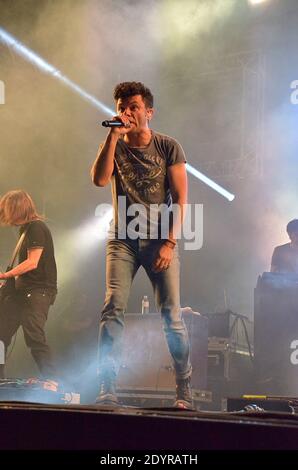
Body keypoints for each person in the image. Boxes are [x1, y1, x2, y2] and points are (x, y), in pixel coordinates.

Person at [91, 81, 192, 409]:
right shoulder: (115, 144)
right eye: (122, 106)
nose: (127, 112)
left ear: (148, 111)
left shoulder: (168, 146)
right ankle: (108, 384)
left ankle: (183, 388)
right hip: (122, 239)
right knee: (112, 308)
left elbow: (181, 198)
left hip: (159, 241)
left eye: (133, 106)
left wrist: (169, 242)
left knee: (171, 316)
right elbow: (99, 179)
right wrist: (112, 136)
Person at [0, 190, 57, 380]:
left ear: (17, 208)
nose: (5, 214)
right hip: (22, 292)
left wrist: (6, 274)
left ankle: (52, 380)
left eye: (7, 209)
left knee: (34, 337)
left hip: (38, 291)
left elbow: (33, 262)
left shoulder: (36, 227)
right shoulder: (24, 230)